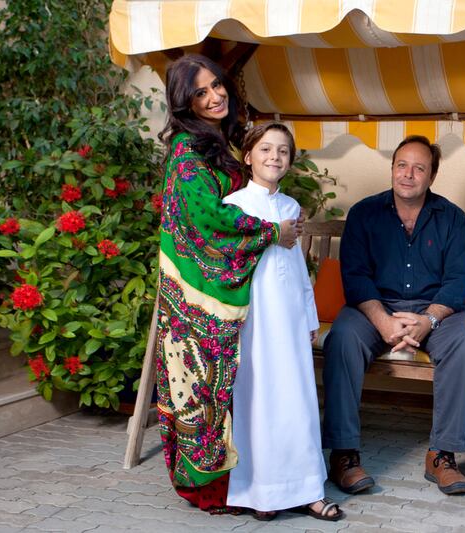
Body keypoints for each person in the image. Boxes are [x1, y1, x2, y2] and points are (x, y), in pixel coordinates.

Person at [155, 54, 301, 514]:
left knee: (230, 386)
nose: (215, 96)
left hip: (232, 288)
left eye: (217, 85)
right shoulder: (187, 150)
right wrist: (271, 232)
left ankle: (251, 479)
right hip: (199, 290)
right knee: (203, 386)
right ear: (185, 102)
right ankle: (212, 486)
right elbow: (207, 216)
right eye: (201, 92)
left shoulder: (218, 140)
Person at [322, 135, 465, 495]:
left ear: (432, 175)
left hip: (435, 312)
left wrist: (428, 320)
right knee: (343, 338)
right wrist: (383, 320)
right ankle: (344, 454)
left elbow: (458, 283)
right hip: (373, 309)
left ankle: (441, 455)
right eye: (401, 165)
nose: (408, 174)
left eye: (419, 168)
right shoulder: (365, 214)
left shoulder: (453, 219)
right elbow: (356, 276)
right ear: (392, 169)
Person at [221, 123, 343, 521]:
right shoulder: (233, 205)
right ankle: (261, 493)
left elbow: (296, 266)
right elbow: (228, 264)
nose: (274, 157)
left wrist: (309, 316)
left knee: (299, 402)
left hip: (289, 318)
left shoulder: (291, 207)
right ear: (248, 156)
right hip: (254, 320)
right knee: (259, 403)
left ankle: (309, 490)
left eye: (283, 151)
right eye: (266, 149)